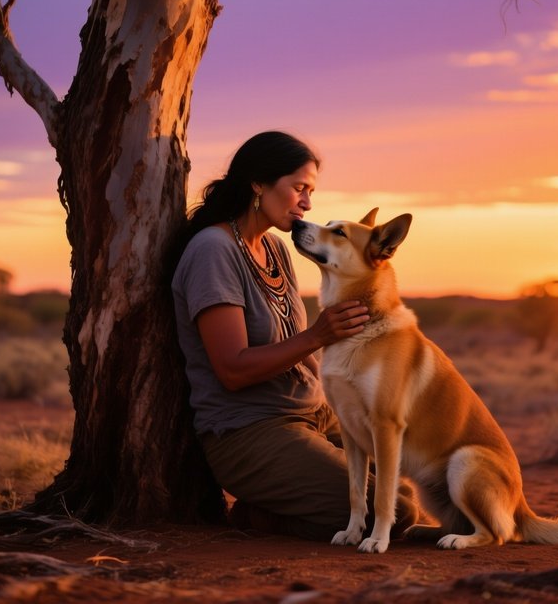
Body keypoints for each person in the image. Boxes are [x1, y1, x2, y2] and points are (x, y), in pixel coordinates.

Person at [171, 131, 419, 541]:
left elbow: (291, 340)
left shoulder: (275, 248)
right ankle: (260, 516)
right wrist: (318, 335)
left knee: (405, 487)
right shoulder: (214, 251)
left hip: (313, 416)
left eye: (311, 191)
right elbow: (232, 370)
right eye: (299, 188)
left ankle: (293, 502)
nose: (307, 203)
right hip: (251, 430)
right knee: (393, 509)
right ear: (258, 184)